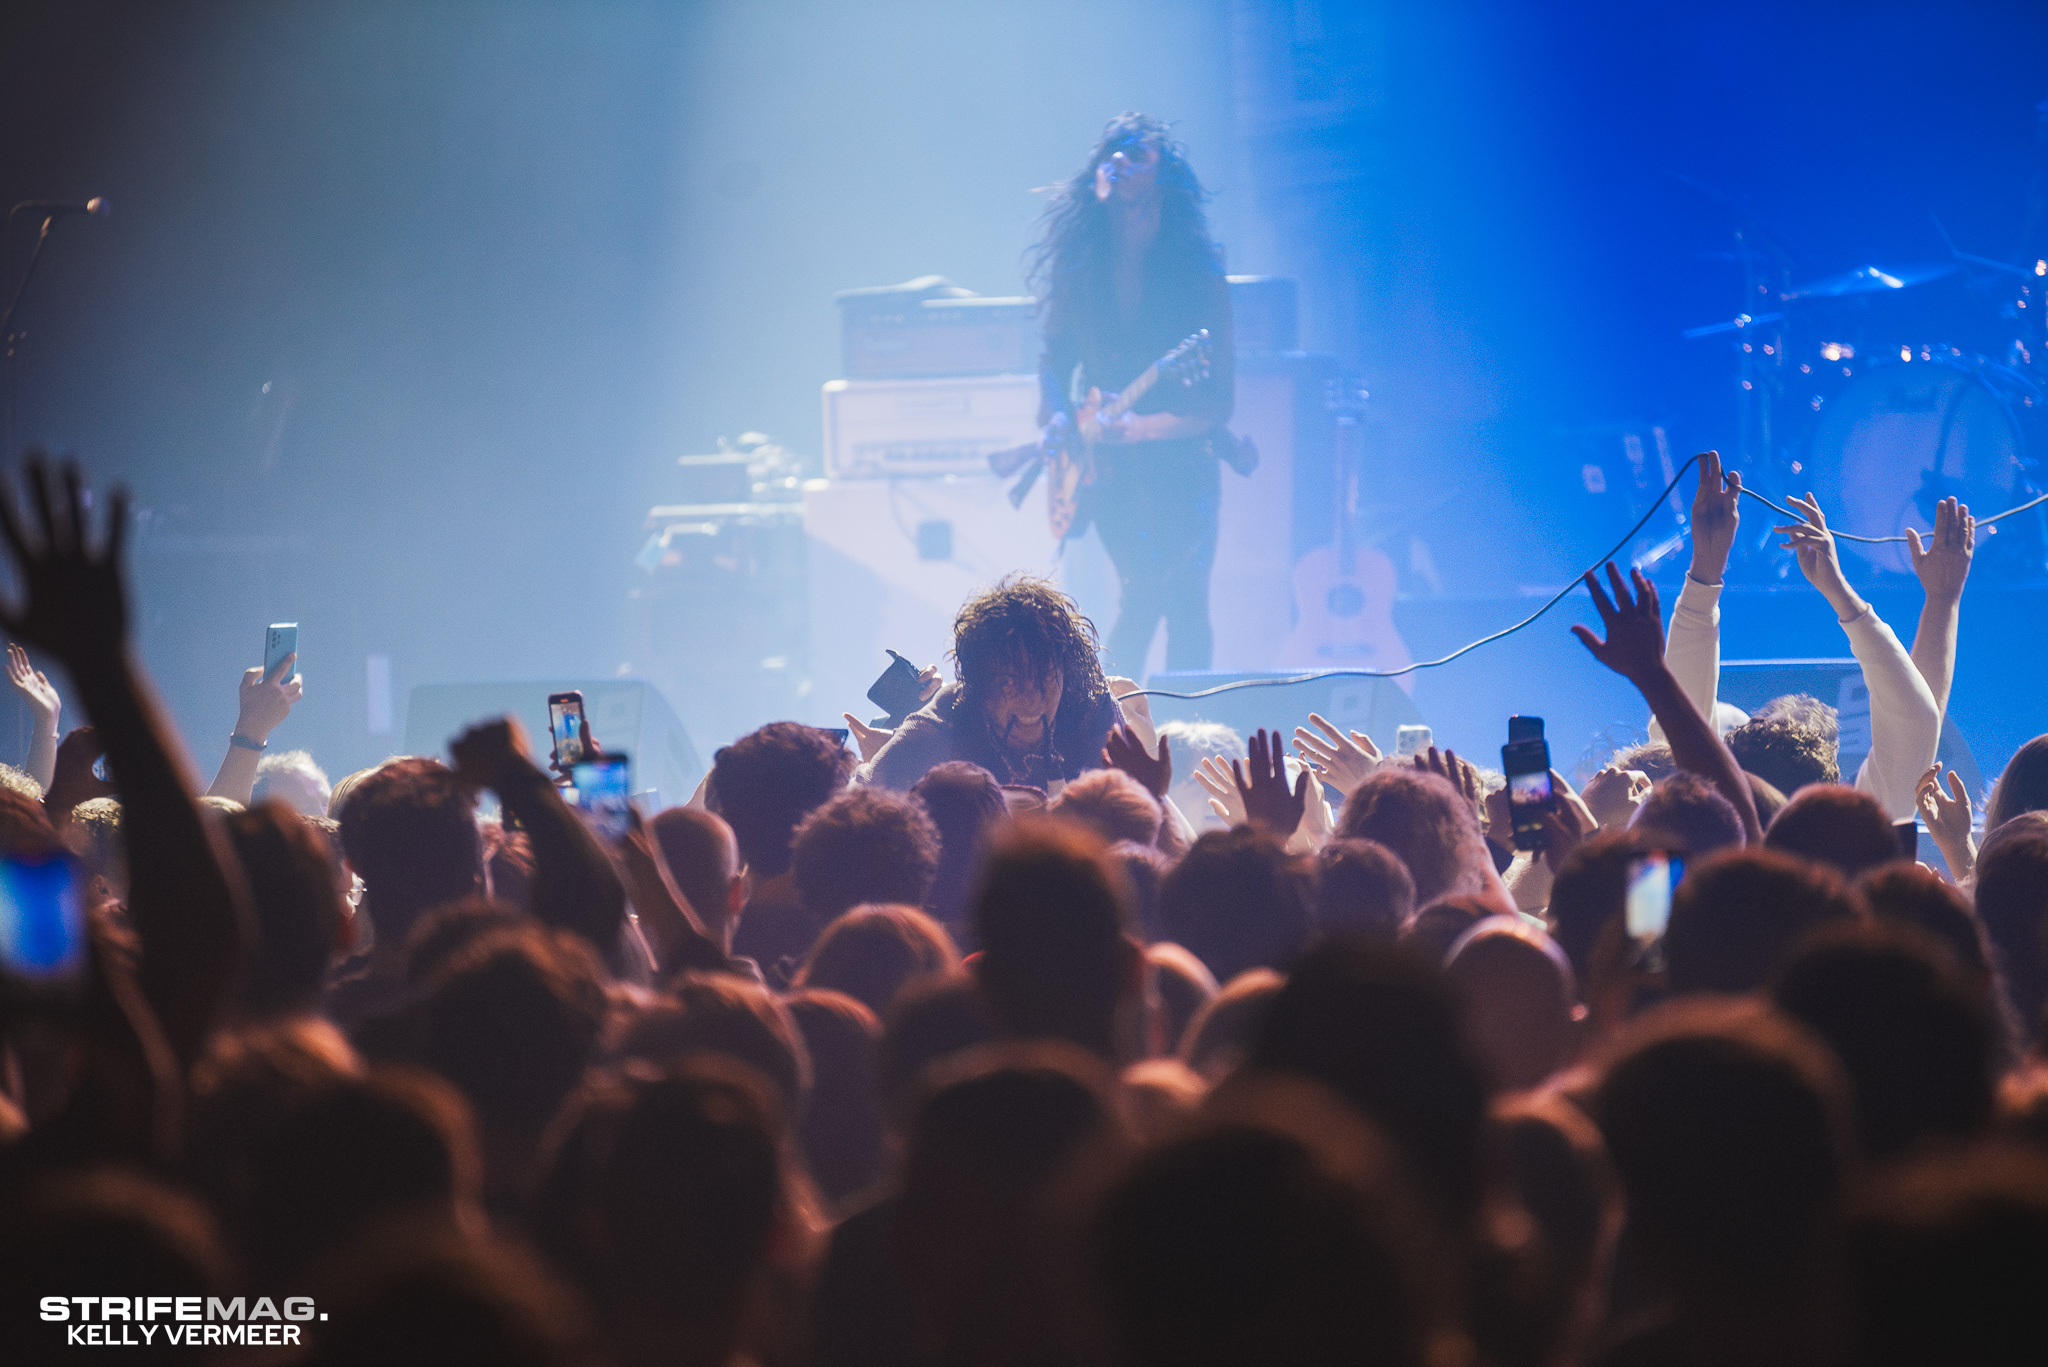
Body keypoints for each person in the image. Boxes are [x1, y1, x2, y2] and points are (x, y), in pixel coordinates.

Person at [1026, 112, 1234, 675]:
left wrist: (1141, 428)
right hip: (1108, 468)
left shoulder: (1197, 274)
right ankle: (1117, 732)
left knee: (1186, 602)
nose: (1119, 163)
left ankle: (1191, 732)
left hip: (1183, 463)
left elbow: (1219, 404)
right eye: (1111, 153)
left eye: (1136, 154)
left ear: (1162, 178)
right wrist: (1058, 420)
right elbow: (1054, 360)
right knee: (1141, 592)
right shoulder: (1081, 268)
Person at [857, 576, 1125, 791]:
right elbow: (859, 806)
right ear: (979, 684)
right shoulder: (944, 724)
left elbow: (1136, 822)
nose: (1030, 699)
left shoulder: (1092, 714)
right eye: (1009, 681)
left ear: (1066, 673)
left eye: (1043, 677)